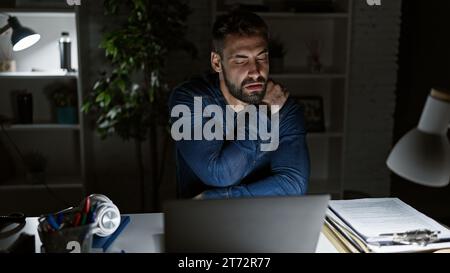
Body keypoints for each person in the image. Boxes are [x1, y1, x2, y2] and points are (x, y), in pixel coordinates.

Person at [168, 10, 310, 199]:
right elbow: (219, 174)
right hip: (202, 224)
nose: (255, 72)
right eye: (241, 60)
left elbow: (294, 184)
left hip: (264, 219)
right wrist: (264, 113)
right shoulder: (189, 100)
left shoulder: (285, 106)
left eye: (261, 58)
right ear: (217, 63)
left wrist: (213, 199)